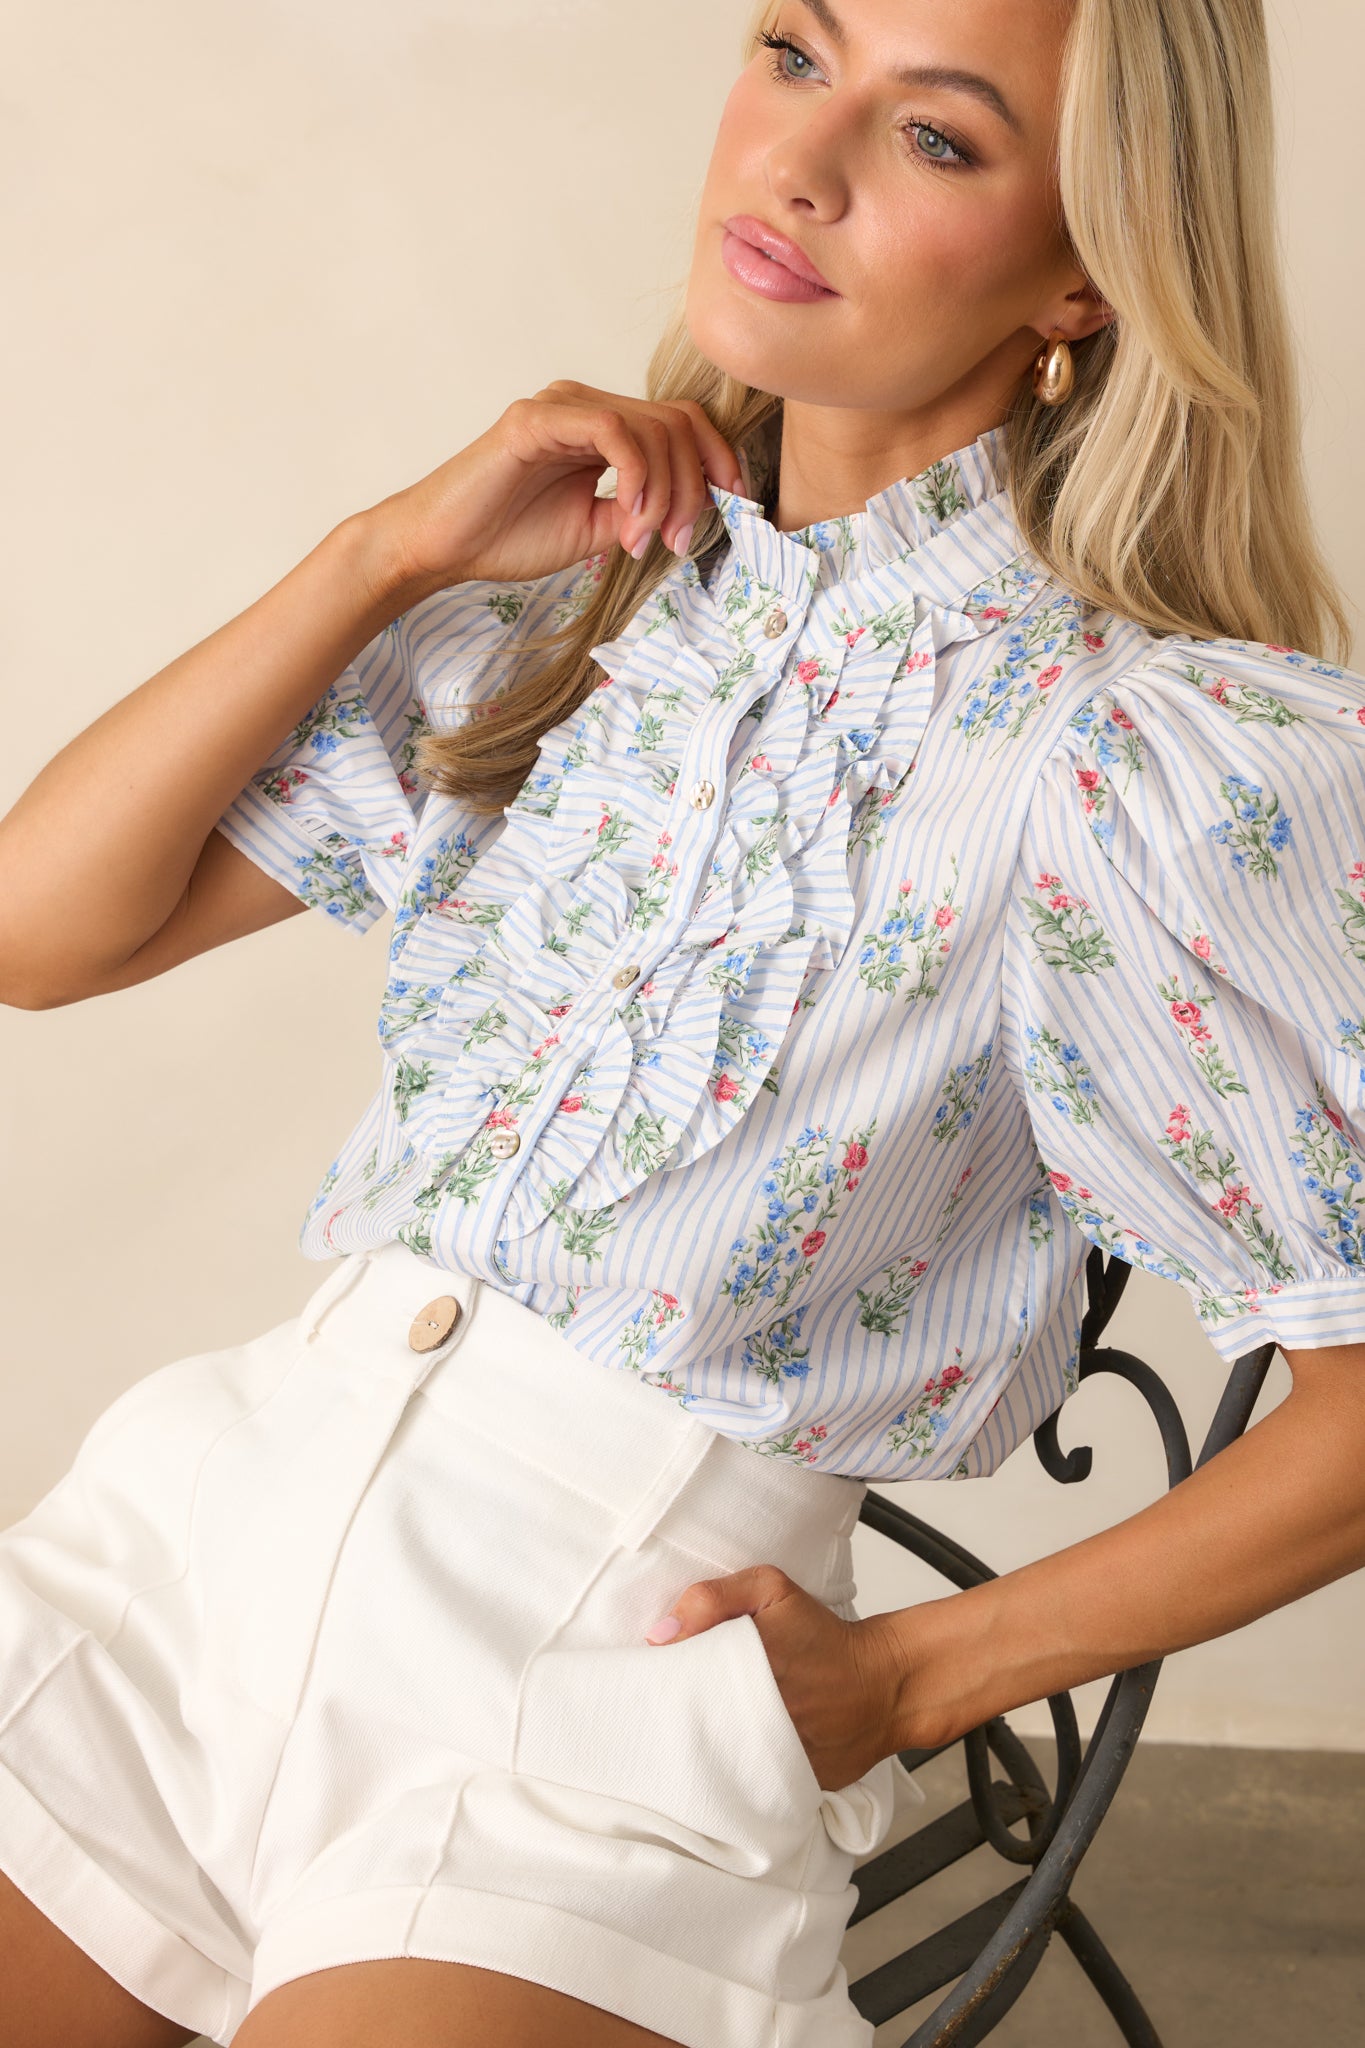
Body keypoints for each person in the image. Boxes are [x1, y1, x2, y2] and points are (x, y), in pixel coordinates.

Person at [2, 0, 1363, 2043]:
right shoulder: (576, 606)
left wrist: (910, 1677)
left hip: (592, 1693)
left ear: (1084, 267)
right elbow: (41, 932)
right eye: (796, 55)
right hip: (183, 1559)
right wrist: (379, 553)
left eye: (938, 138)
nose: (799, 161)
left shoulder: (1133, 758)